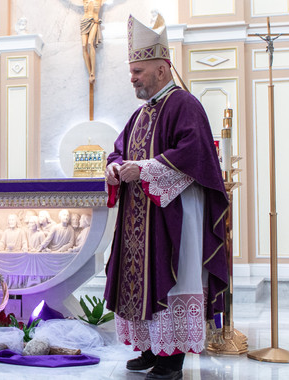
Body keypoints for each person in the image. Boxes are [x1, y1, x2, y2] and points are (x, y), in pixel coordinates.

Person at [102, 16, 229, 380]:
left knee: (174, 274)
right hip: (138, 216)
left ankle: (172, 359)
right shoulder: (140, 114)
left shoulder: (184, 104)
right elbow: (118, 150)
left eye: (138, 71)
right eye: (131, 72)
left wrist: (144, 169)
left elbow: (195, 152)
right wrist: (114, 167)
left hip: (175, 214)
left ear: (161, 69)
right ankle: (148, 348)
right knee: (137, 277)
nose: (132, 78)